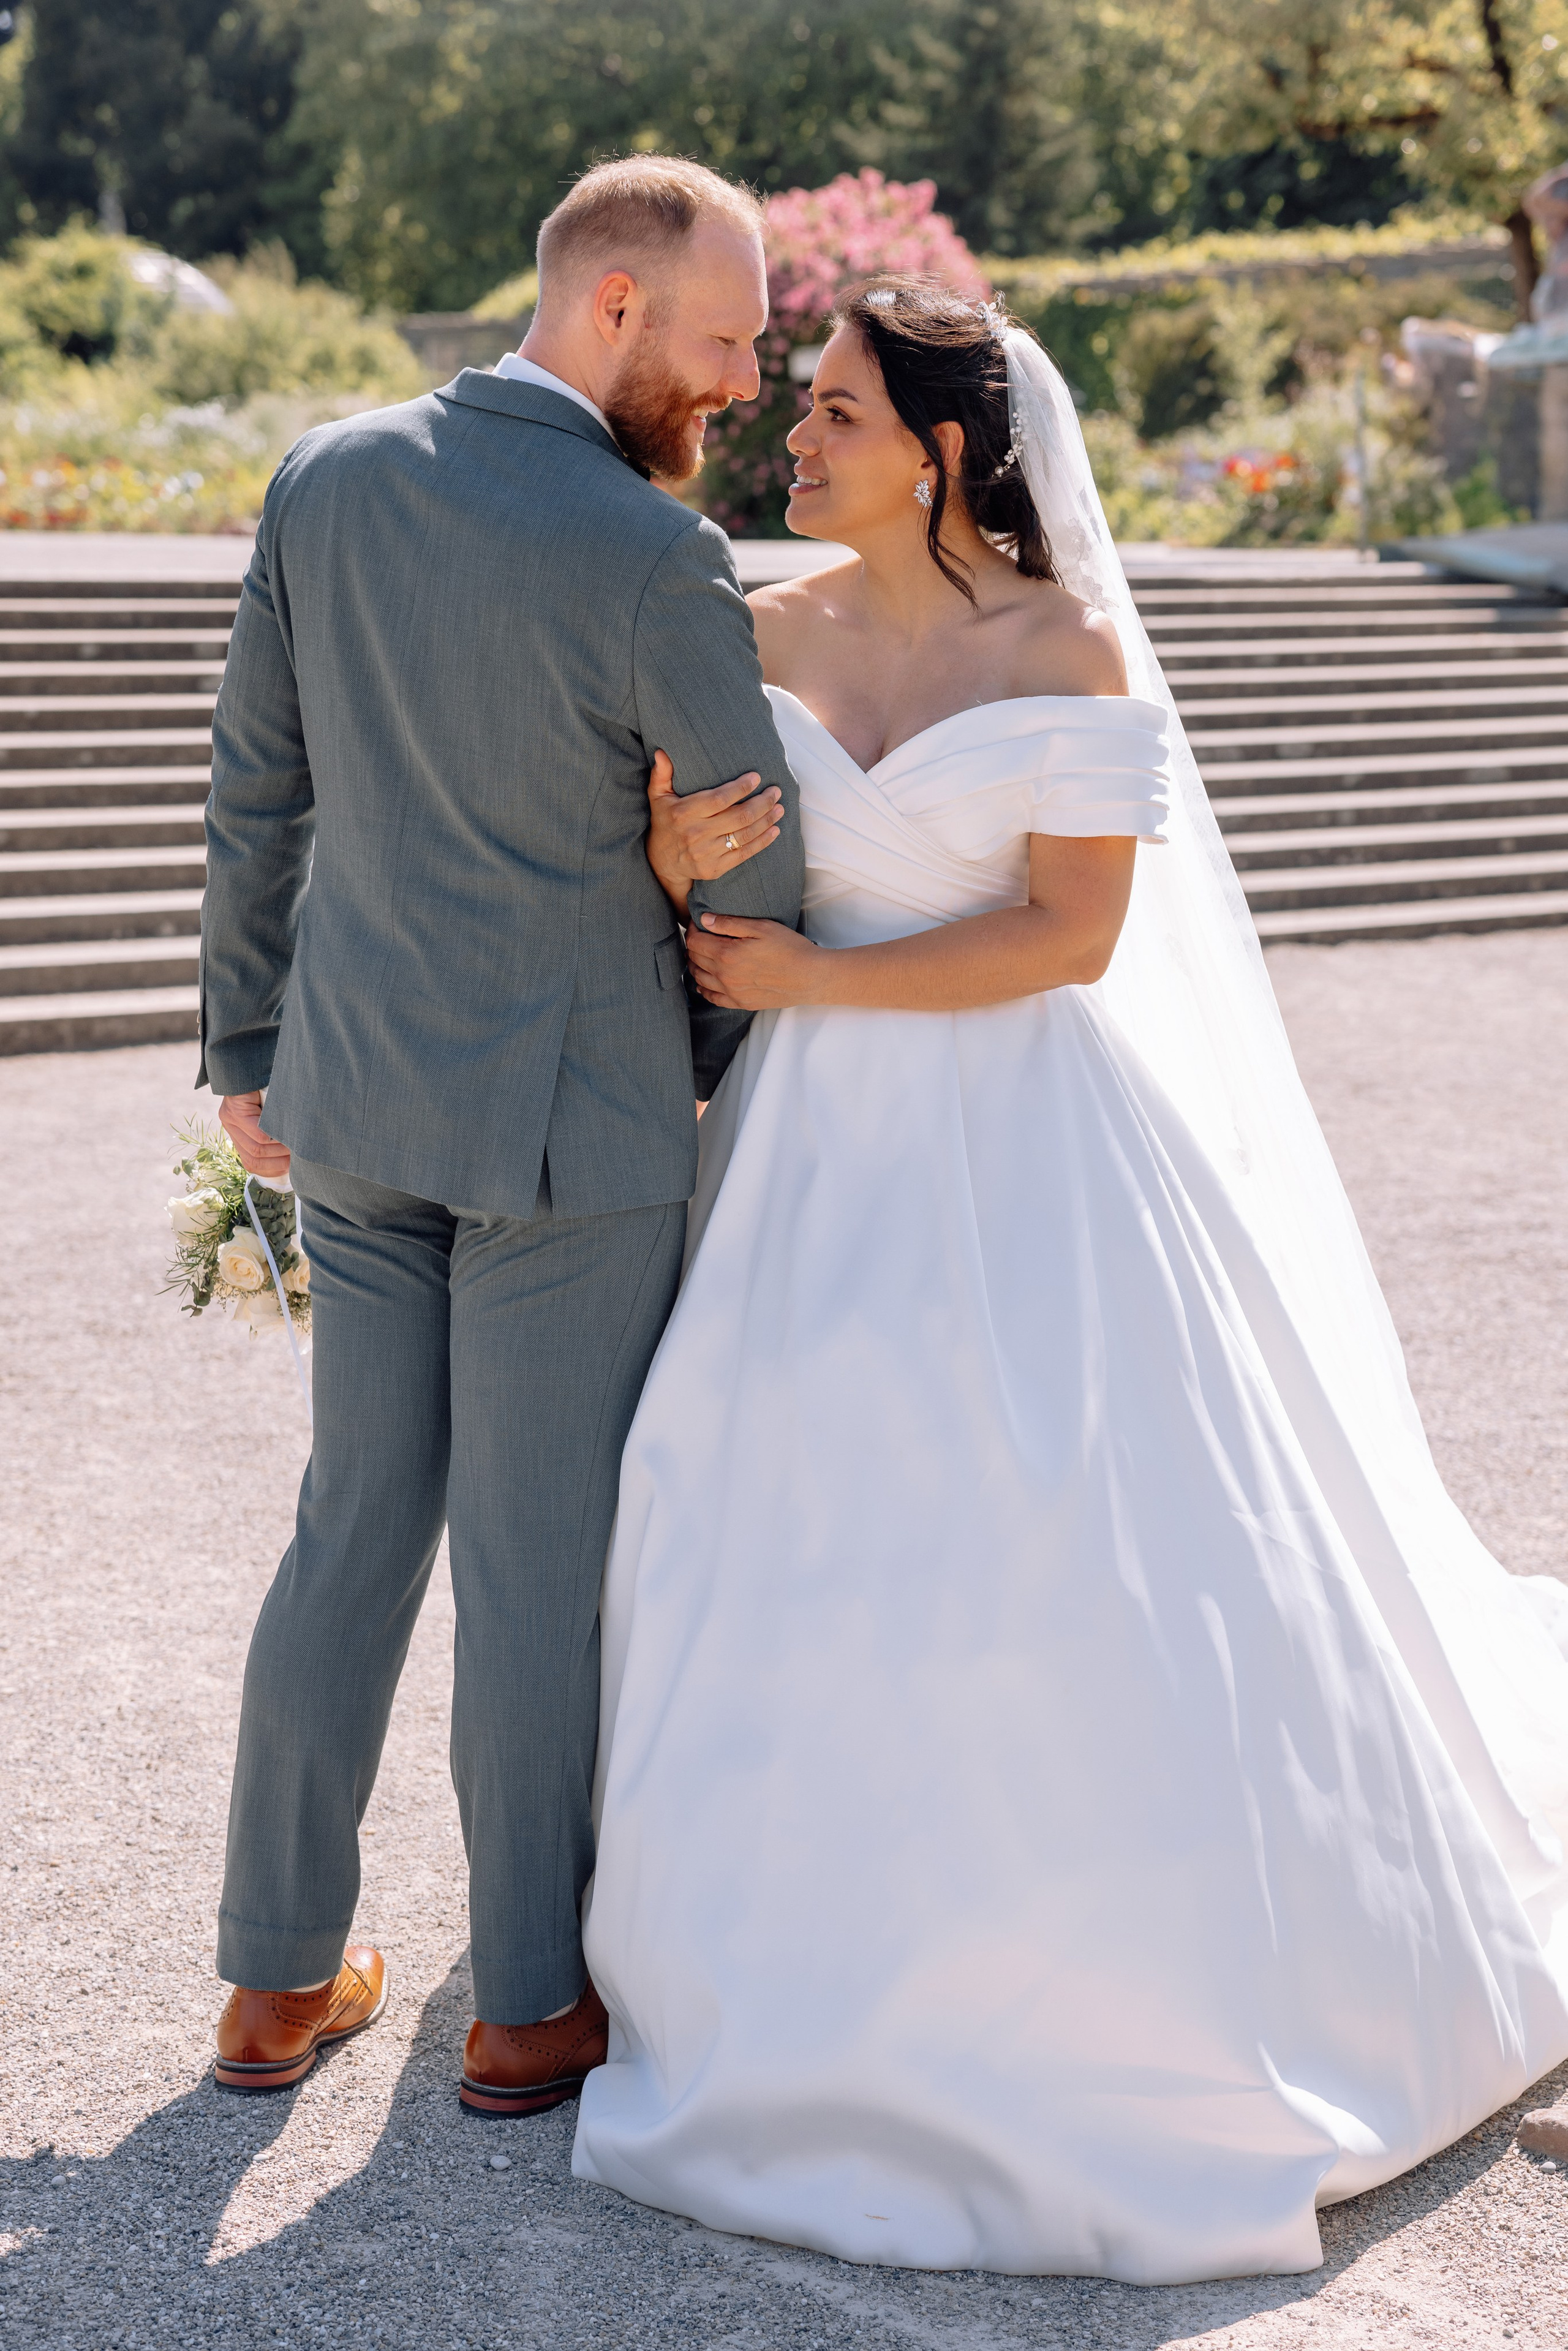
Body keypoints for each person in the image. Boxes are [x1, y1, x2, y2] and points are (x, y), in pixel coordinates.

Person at [572, 278, 1568, 2281]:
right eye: (805, 407)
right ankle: (774, 1954)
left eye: (837, 413)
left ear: (944, 452)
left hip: (1027, 1126)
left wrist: (815, 977)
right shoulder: (754, 629)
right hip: (802, 1155)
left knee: (1080, 1534)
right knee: (766, 1515)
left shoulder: (1070, 647)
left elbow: (1068, 938)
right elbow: (693, 866)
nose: (796, 436)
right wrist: (687, 873)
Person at [197, 155, 803, 2111]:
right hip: (574, 1129)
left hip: (354, 1098)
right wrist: (697, 1057)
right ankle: (529, 2007)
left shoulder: (322, 476)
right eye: (728, 343)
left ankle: (275, 1983)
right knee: (536, 1566)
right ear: (615, 302)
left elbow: (258, 790)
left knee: (353, 1524)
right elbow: (755, 882)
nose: (744, 390)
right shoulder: (655, 552)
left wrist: (246, 1047)